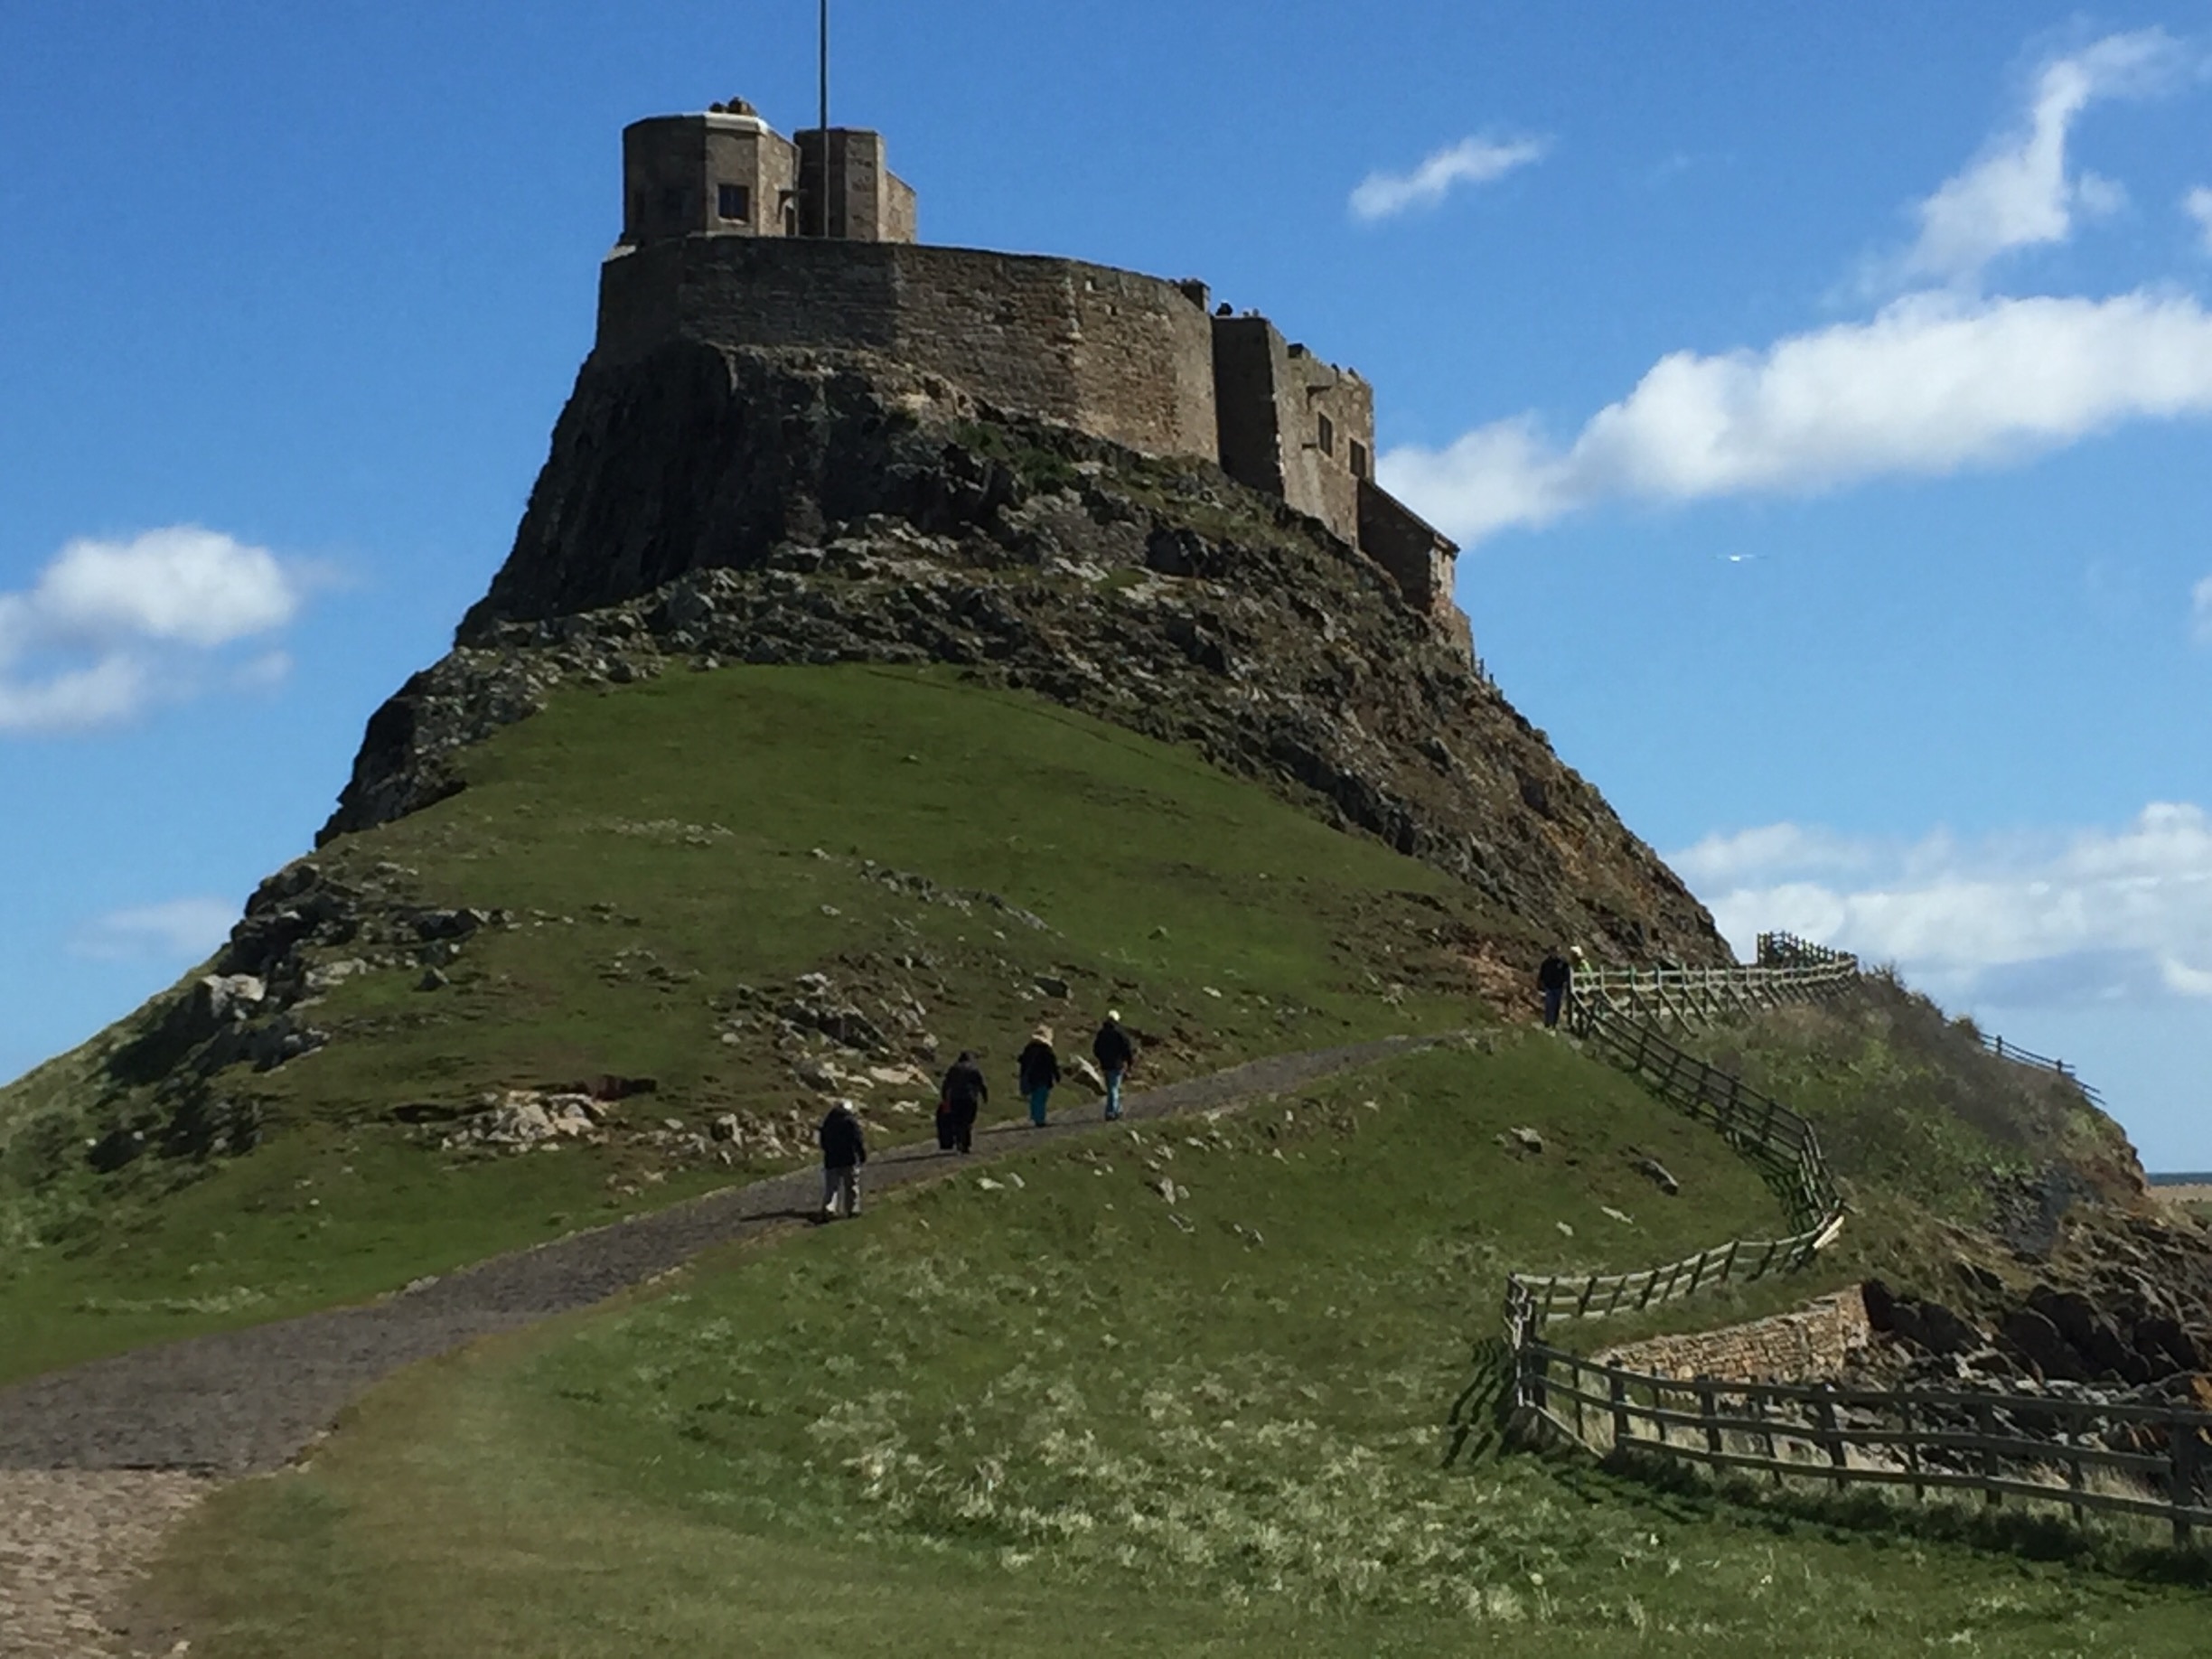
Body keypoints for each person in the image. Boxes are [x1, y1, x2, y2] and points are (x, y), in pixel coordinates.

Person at [818, 1098, 867, 1220]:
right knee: (851, 1186)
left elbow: (823, 1141)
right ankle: (852, 1209)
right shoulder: (850, 1122)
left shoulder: (828, 1122)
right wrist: (861, 1154)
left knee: (832, 1187)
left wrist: (827, 1150)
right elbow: (857, 1140)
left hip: (832, 1159)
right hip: (849, 1158)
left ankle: (829, 1209)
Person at [940, 1049, 988, 1154]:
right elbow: (982, 1084)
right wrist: (985, 1097)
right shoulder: (974, 1069)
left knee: (957, 1121)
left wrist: (944, 1098)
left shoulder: (954, 1069)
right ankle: (966, 1143)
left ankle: (959, 1141)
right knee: (968, 1121)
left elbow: (946, 1084)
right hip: (970, 1098)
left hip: (955, 1098)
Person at [1092, 1010, 1134, 1120]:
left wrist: (1101, 1058)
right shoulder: (1119, 1033)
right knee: (1114, 1088)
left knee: (1111, 1088)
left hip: (1105, 1064)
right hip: (1117, 1064)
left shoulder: (1101, 1033)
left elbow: (1096, 1049)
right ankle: (1111, 1112)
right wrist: (1129, 1062)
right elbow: (1127, 1048)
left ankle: (1117, 1109)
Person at [1017, 1026, 1061, 1128]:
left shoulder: (1028, 1049)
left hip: (1031, 1077)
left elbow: (1023, 1062)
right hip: (1043, 1078)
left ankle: (1035, 1117)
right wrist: (1057, 1075)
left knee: (1035, 1098)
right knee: (1041, 1098)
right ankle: (1040, 1119)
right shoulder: (1046, 1051)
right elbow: (1052, 1065)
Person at [1537, 948, 1570, 1029]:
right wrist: (1541, 983)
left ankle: (1554, 1022)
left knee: (1557, 1005)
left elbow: (1567, 971)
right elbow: (1542, 973)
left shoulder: (1562, 963)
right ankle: (1547, 1022)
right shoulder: (1546, 963)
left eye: (1556, 952)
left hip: (1559, 987)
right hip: (1549, 986)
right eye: (1553, 952)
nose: (1554, 954)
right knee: (1549, 1004)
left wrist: (1565, 981)